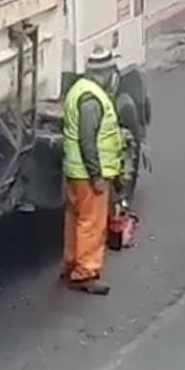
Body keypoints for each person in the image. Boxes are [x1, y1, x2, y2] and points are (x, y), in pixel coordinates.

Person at [61, 46, 123, 295]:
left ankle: (71, 264)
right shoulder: (92, 100)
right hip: (87, 174)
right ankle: (85, 272)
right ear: (104, 73)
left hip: (76, 171)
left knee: (75, 219)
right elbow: (88, 139)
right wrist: (97, 174)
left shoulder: (78, 90)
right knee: (91, 223)